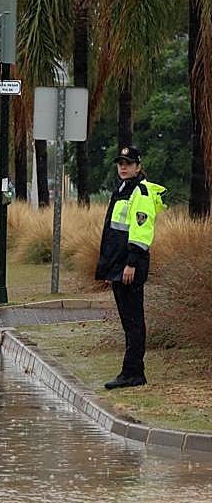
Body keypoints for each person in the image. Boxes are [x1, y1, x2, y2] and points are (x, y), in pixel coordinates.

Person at [95, 145, 166, 389]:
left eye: (128, 163)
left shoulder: (141, 192)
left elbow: (141, 233)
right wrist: (109, 269)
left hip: (130, 267)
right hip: (119, 267)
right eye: (120, 163)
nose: (123, 167)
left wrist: (130, 264)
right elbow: (114, 234)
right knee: (128, 321)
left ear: (138, 166)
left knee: (134, 321)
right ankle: (131, 371)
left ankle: (133, 372)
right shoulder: (123, 190)